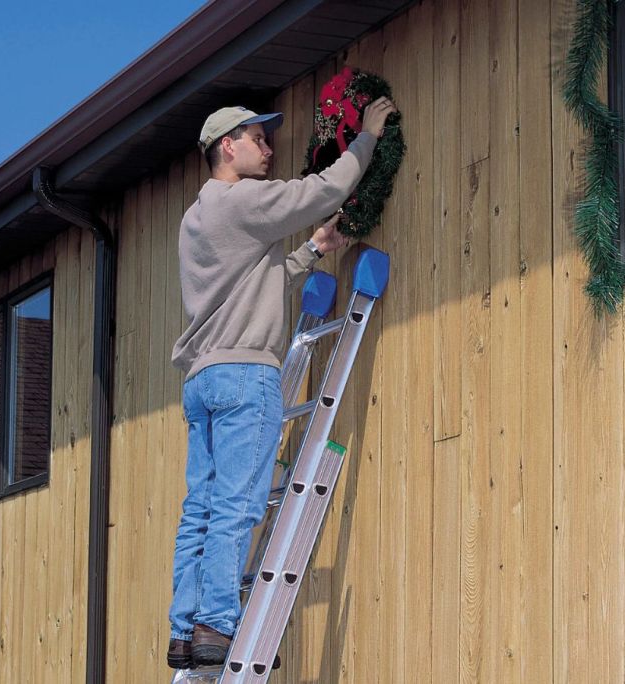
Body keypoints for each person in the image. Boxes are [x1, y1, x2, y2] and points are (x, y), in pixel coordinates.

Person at [167, 96, 396, 670]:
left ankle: (184, 630)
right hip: (245, 376)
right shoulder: (242, 199)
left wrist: (312, 251)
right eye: (258, 139)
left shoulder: (197, 217)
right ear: (228, 146)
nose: (268, 150)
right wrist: (365, 137)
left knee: (201, 508)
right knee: (238, 507)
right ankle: (218, 625)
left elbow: (254, 284)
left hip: (203, 378)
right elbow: (318, 192)